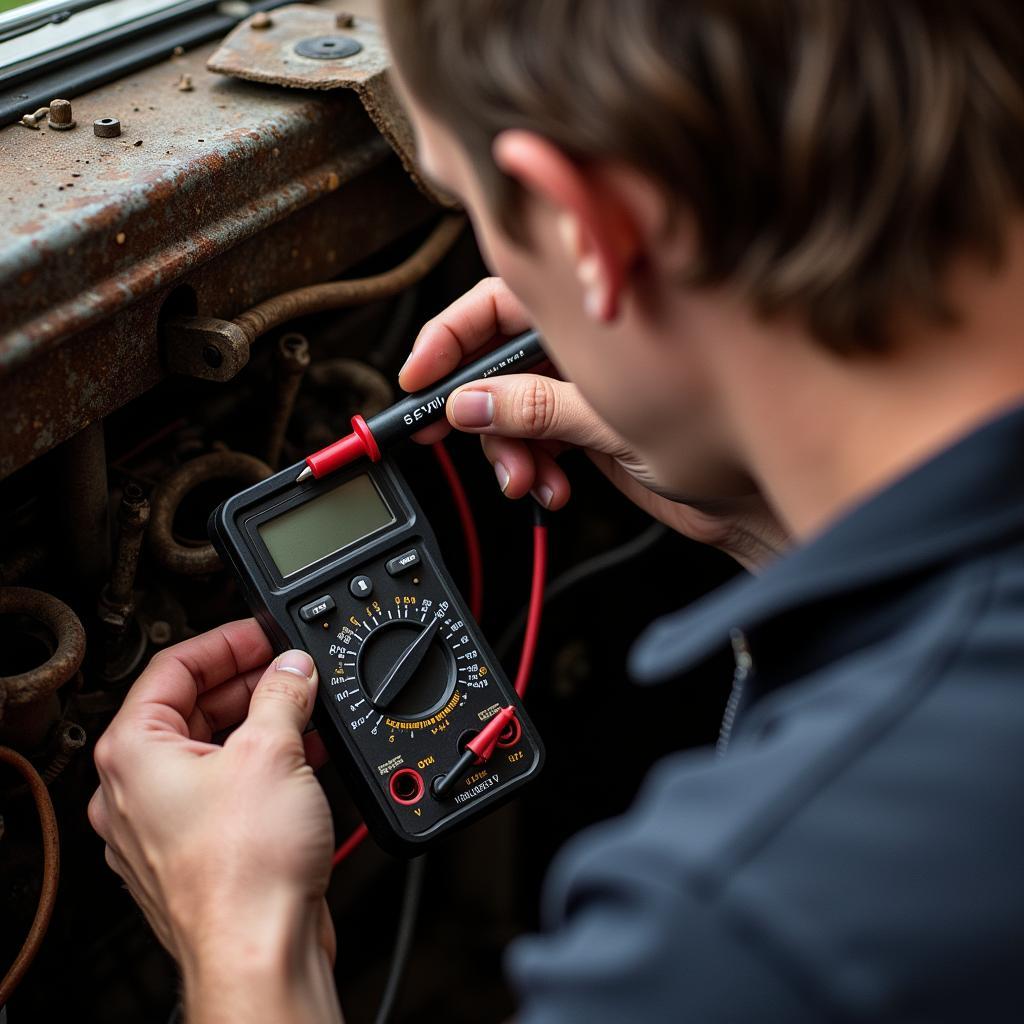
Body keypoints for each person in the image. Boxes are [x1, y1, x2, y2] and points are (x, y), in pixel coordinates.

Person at [89, 2, 1024, 1020]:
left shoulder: (729, 929)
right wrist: (793, 530)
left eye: (471, 206)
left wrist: (242, 938)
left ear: (591, 232)